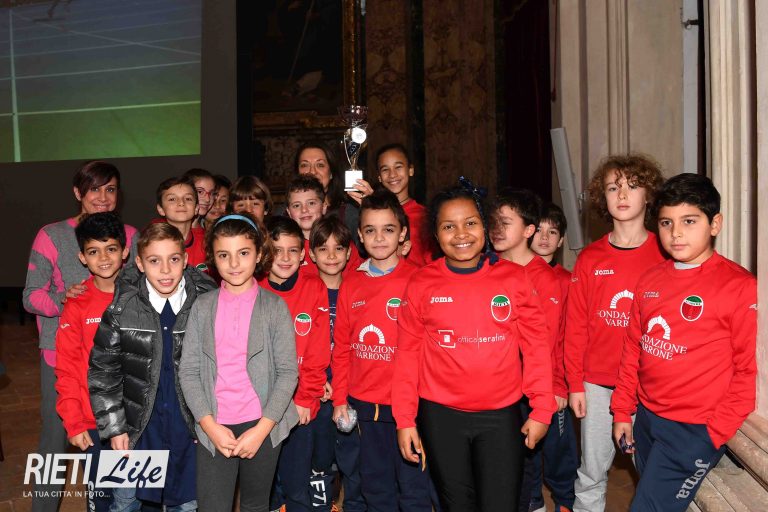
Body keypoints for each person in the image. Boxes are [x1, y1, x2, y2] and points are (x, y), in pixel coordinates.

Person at [392, 182, 556, 511]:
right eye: (448, 226)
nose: (461, 234)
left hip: (501, 416)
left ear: (485, 226)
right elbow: (407, 355)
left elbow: (536, 346)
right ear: (435, 235)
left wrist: (542, 409)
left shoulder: (513, 278)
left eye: (470, 223)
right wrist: (405, 420)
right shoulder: (421, 283)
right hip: (441, 417)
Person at [610, 173, 756, 511]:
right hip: (647, 419)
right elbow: (633, 349)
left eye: (689, 221)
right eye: (666, 222)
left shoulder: (740, 286)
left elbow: (749, 371)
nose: (675, 232)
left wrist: (713, 433)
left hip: (693, 430)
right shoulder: (650, 279)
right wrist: (622, 411)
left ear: (715, 224)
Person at [23, 160, 137, 512]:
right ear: (78, 193)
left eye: (110, 189)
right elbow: (30, 296)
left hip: (119, 360)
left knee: (116, 447)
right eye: (94, 189)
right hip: (64, 357)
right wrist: (64, 298)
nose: (102, 197)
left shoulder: (130, 235)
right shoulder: (52, 235)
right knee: (55, 442)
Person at [89, 223, 216, 511]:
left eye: (174, 259)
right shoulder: (122, 308)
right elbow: (103, 372)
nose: (166, 270)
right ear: (139, 263)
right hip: (137, 431)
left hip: (188, 430)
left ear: (185, 259)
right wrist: (114, 428)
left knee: (187, 503)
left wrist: (209, 424)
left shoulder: (206, 304)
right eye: (154, 261)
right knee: (124, 503)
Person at [564, 154, 666, 512]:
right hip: (597, 384)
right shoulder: (590, 258)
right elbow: (575, 326)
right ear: (601, 197)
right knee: (591, 471)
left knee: (652, 475)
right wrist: (575, 383)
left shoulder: (665, 254)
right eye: (612, 188)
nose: (622, 195)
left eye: (632, 186)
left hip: (649, 385)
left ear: (649, 195)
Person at [179, 214, 299, 512]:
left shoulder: (274, 307)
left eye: (243, 253)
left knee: (255, 504)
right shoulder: (202, 307)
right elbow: (189, 372)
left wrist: (261, 430)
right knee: (212, 506)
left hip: (263, 423)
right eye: (224, 255)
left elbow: (287, 373)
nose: (234, 263)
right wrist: (209, 426)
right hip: (214, 423)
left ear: (259, 254)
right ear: (213, 259)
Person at [332, 189, 432, 512]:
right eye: (370, 230)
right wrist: (339, 399)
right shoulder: (351, 283)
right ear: (360, 236)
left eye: (388, 229)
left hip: (411, 405)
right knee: (376, 488)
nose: (379, 238)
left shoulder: (419, 280)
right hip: (365, 405)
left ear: (402, 234)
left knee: (414, 488)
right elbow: (342, 347)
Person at [489, 190, 576, 512]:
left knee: (531, 456)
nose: (497, 229)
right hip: (494, 385)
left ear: (527, 230)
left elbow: (552, 340)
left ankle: (539, 503)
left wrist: (557, 385)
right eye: (494, 222)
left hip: (531, 387)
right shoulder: (487, 269)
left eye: (506, 223)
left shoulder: (546, 279)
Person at [55, 213, 128, 512]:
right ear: (82, 258)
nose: (104, 258)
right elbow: (67, 367)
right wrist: (74, 422)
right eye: (94, 251)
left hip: (137, 420)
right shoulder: (77, 304)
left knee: (142, 496)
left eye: (111, 249)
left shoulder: (142, 297)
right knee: (103, 498)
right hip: (92, 421)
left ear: (125, 252)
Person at [258, 216, 330, 511]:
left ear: (303, 255)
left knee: (297, 483)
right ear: (265, 253)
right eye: (277, 250)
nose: (285, 258)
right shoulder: (253, 287)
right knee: (264, 487)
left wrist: (306, 398)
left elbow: (318, 351)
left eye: (292, 250)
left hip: (298, 404)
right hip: (259, 405)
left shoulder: (314, 287)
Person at [308, 216, 366, 512]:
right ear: (311, 253)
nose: (331, 255)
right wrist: (314, 382)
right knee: (319, 460)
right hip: (315, 390)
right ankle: (322, 504)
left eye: (338, 248)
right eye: (323, 248)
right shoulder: (305, 291)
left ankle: (351, 505)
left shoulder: (358, 289)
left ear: (349, 252)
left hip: (351, 389)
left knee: (353, 458)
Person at [294, 142, 369, 252]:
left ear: (331, 173)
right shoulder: (284, 213)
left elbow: (368, 248)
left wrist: (372, 210)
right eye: (304, 165)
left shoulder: (348, 213)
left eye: (320, 165)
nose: (312, 171)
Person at [285, 174, 362, 276]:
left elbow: (358, 279)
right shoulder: (285, 249)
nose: (304, 210)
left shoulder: (341, 242)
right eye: (296, 205)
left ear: (324, 206)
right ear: (289, 212)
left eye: (311, 203)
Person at [374, 143, 432, 266]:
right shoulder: (372, 214)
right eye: (385, 169)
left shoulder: (424, 215)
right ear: (379, 177)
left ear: (410, 170)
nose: (392, 174)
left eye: (398, 167)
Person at [156, 176, 208, 271]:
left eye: (188, 199)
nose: (181, 203)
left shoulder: (207, 243)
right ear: (161, 209)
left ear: (196, 208)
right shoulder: (152, 244)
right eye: (172, 199)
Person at [531, 202, 571, 285]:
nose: (544, 237)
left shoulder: (568, 280)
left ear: (560, 241)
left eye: (552, 232)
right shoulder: (517, 273)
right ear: (528, 233)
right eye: (538, 230)